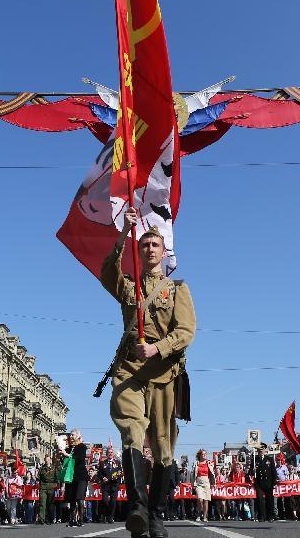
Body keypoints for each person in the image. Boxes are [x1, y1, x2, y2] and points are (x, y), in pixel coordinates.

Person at [101, 206, 196, 538]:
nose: (150, 249)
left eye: (155, 245)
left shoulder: (177, 289)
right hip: (129, 370)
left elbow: (186, 331)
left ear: (163, 251)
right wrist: (124, 234)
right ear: (138, 251)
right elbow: (107, 274)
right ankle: (138, 507)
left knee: (163, 445)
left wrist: (158, 348)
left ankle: (154, 512)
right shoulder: (128, 287)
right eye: (144, 245)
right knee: (130, 430)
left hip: (164, 373)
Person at [65, 429, 89, 527]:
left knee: (79, 498)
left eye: (73, 435)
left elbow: (79, 458)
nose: (71, 436)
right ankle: (72, 519)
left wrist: (67, 455)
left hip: (81, 476)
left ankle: (81, 519)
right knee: (71, 498)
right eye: (70, 435)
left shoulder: (82, 447)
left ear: (78, 436)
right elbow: (64, 461)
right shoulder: (69, 448)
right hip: (71, 476)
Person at [252, 445, 276, 522]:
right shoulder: (255, 460)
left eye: (262, 449)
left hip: (268, 482)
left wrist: (274, 482)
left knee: (269, 500)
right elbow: (249, 473)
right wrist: (253, 471)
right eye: (259, 450)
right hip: (259, 483)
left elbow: (273, 472)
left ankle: (270, 516)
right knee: (259, 499)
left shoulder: (269, 459)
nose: (260, 451)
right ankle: (261, 516)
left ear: (265, 450)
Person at [99, 449, 122, 523]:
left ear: (113, 454)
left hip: (114, 484)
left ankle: (110, 517)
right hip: (105, 485)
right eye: (109, 452)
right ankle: (105, 515)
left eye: (111, 452)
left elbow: (120, 472)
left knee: (113, 501)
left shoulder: (117, 462)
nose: (110, 454)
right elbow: (99, 474)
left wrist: (116, 476)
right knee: (105, 500)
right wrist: (103, 478)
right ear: (106, 454)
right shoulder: (103, 463)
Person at [191, 449, 214, 522]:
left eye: (205, 454)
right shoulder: (196, 463)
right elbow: (193, 474)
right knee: (200, 499)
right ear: (199, 455)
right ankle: (198, 514)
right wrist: (193, 484)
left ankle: (204, 516)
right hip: (198, 482)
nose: (204, 455)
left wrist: (213, 484)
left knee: (206, 500)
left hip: (206, 482)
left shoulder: (209, 463)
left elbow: (212, 474)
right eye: (202, 454)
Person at [36, 454, 57, 524]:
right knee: (42, 503)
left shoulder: (54, 467)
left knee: (50, 504)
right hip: (43, 487)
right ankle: (41, 519)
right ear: (44, 460)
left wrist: (59, 485)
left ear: (50, 460)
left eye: (48, 460)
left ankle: (49, 519)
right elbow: (38, 477)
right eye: (46, 460)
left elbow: (57, 477)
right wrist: (35, 475)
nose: (47, 461)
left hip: (51, 486)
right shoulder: (42, 468)